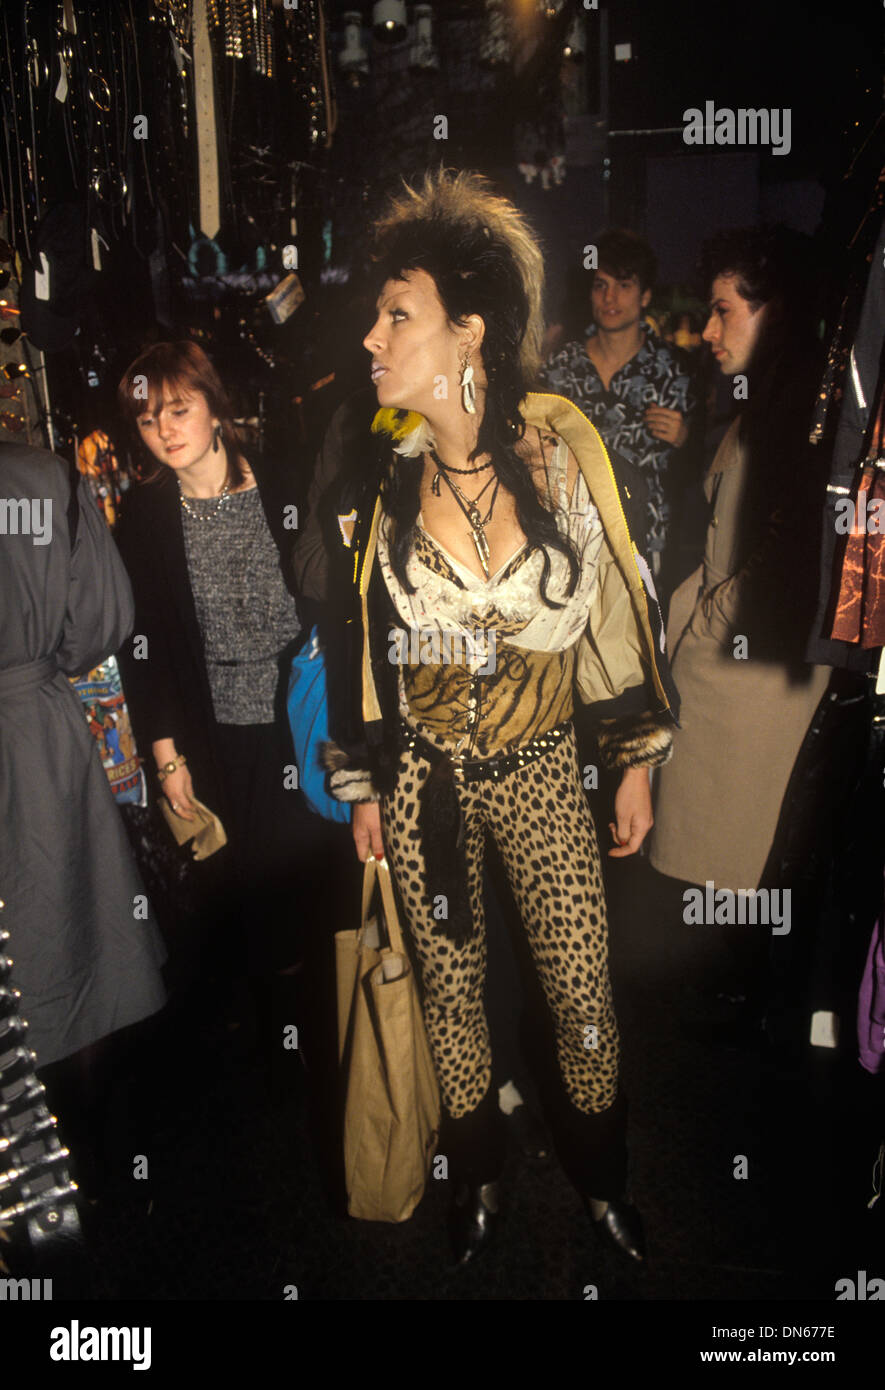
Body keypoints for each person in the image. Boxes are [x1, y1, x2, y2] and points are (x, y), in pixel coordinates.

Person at [313, 170, 679, 1265]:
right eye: (377, 315)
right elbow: (359, 640)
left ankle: (603, 1181)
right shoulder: (377, 471)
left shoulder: (562, 453)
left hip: (538, 769)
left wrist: (633, 763)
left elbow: (616, 608)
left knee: (583, 998)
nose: (374, 336)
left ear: (468, 331)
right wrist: (368, 783)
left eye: (398, 314)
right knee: (453, 1001)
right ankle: (475, 1177)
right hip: (425, 778)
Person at [649, 227, 832, 1016]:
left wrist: (702, 630)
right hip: (731, 666)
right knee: (720, 860)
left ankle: (737, 1014)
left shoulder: (796, 410)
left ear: (773, 312)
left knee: (731, 858)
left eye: (724, 312)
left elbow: (783, 557)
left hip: (748, 682)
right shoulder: (768, 401)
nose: (709, 332)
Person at [114, 342, 310, 1056]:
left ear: (214, 405)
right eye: (145, 421)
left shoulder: (284, 483)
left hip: (301, 714)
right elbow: (149, 651)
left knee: (313, 873)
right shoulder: (145, 518)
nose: (164, 430)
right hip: (216, 724)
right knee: (244, 882)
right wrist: (166, 757)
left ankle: (319, 1018)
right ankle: (271, 1036)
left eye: (177, 409)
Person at [0, 441, 167, 1181]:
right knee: (73, 943)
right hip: (37, 741)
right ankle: (86, 1155)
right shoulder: (43, 479)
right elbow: (102, 620)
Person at [539, 229, 698, 582]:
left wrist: (685, 437)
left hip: (645, 540)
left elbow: (707, 470)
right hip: (572, 537)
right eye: (600, 285)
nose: (610, 297)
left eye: (624, 285)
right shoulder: (560, 368)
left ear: (645, 296)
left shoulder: (673, 369)